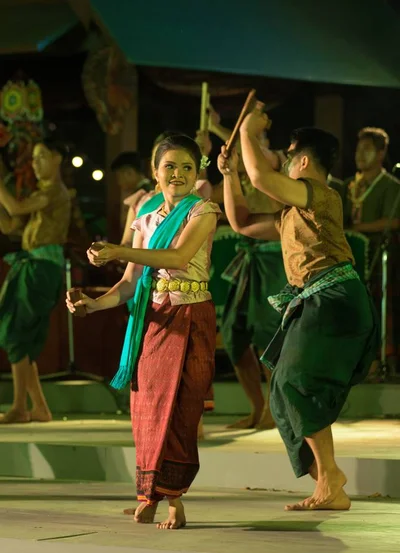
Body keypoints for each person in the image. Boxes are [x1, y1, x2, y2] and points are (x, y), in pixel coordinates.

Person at [218, 105, 378, 511]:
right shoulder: (294, 210)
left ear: (303, 160)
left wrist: (248, 134)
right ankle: (327, 481)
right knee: (282, 391)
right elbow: (239, 221)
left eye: (288, 157)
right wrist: (228, 174)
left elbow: (261, 177)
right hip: (321, 300)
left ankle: (330, 476)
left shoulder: (321, 194)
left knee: (294, 382)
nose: (284, 164)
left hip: (334, 298)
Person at [67, 134, 220, 529]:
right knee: (148, 410)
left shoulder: (203, 212)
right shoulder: (146, 221)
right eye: (170, 166)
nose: (179, 174)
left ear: (198, 172)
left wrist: (119, 252)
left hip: (190, 320)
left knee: (181, 413)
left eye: (188, 167)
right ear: (155, 174)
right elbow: (131, 284)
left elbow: (178, 257)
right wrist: (93, 304)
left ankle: (175, 500)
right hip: (153, 320)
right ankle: (149, 495)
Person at [209, 105, 287, 429]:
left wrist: (222, 130)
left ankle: (274, 409)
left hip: (274, 258)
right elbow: (208, 196)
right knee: (234, 332)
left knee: (269, 333)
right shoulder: (239, 171)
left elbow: (258, 156)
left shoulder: (279, 161)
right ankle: (257, 408)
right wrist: (206, 159)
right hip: (247, 257)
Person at [0, 139, 71, 424]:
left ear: (57, 159)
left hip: (40, 268)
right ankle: (39, 408)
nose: (35, 163)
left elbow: (16, 209)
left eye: (42, 156)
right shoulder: (42, 194)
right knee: (23, 338)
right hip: (33, 266)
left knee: (17, 332)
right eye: (33, 159)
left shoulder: (55, 190)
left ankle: (20, 407)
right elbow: (10, 224)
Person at [342, 127, 400, 375]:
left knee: (378, 308)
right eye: (358, 149)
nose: (360, 155)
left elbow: (394, 220)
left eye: (367, 149)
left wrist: (357, 227)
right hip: (349, 259)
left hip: (378, 258)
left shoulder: (389, 185)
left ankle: (380, 360)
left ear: (380, 153)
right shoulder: (348, 185)